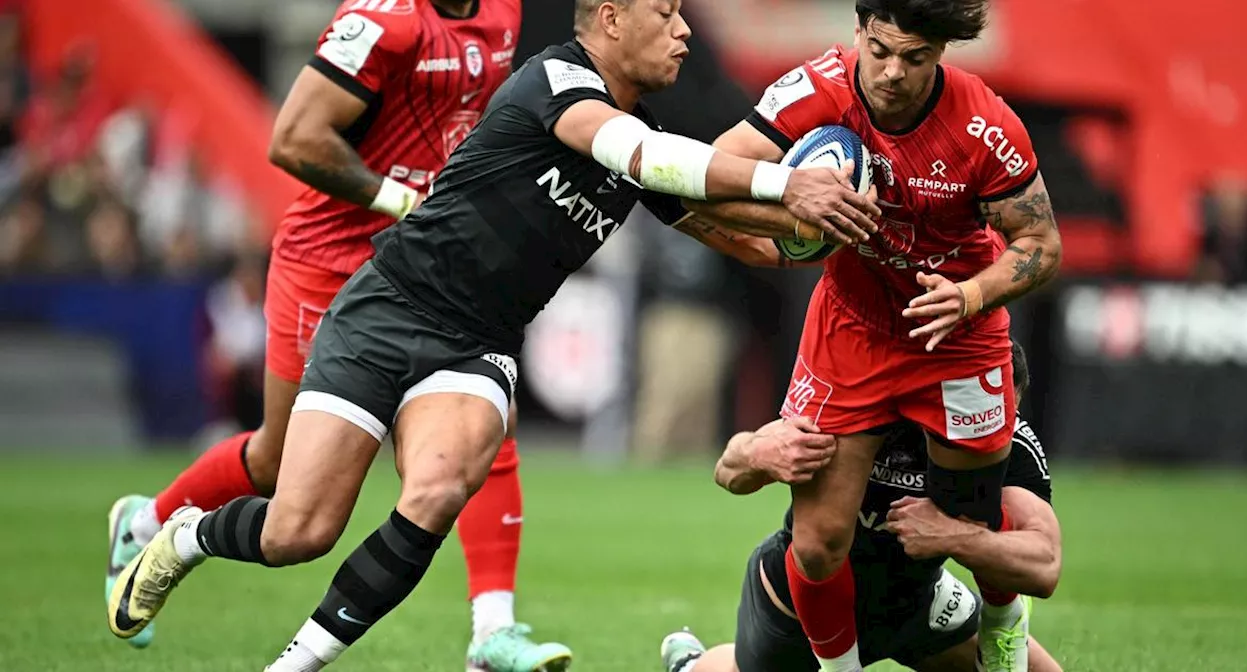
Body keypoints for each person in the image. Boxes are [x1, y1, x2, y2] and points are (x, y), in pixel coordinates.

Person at [107, 1, 881, 670]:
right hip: (387, 309)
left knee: (439, 489)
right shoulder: (558, 81)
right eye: (666, 14)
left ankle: (309, 661)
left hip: (476, 344)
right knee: (297, 531)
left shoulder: (637, 133)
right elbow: (643, 155)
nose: (684, 32)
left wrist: (836, 225)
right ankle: (187, 538)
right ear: (610, 20)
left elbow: (741, 234)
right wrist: (787, 182)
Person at [100, 1, 573, 667]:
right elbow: (291, 137)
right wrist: (399, 199)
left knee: (488, 423)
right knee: (277, 464)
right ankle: (149, 523)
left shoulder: (503, 12)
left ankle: (491, 630)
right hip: (331, 259)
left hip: (425, 262)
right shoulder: (383, 21)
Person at [671, 1, 1063, 670]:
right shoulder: (814, 90)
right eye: (879, 50)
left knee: (972, 524)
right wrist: (791, 192)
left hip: (957, 333)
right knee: (819, 543)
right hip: (851, 329)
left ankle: (1002, 630)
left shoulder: (985, 125)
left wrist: (969, 294)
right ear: (858, 30)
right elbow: (709, 180)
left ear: (941, 52)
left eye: (914, 58)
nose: (891, 73)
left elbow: (1042, 244)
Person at [656, 341, 1064, 672]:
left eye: (1003, 418)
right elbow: (727, 469)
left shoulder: (1007, 441)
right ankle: (691, 665)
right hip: (801, 607)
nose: (991, 433)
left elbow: (1043, 566)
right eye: (985, 416)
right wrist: (756, 455)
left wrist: (956, 537)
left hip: (918, 603)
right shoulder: (859, 409)